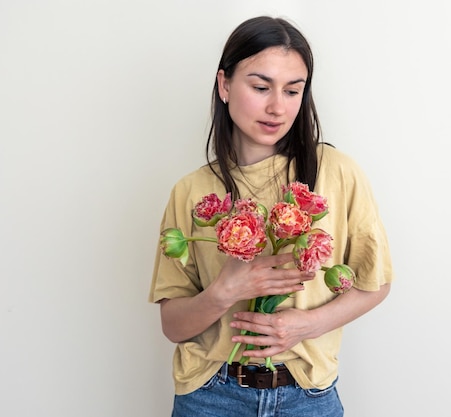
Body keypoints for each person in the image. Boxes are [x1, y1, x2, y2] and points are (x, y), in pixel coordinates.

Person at [150, 16, 393, 417]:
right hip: (211, 396)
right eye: (260, 87)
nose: (277, 107)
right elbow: (173, 326)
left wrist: (306, 325)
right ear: (225, 85)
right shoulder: (191, 192)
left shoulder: (336, 172)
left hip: (307, 396)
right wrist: (224, 291)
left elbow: (375, 283)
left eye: (293, 90)